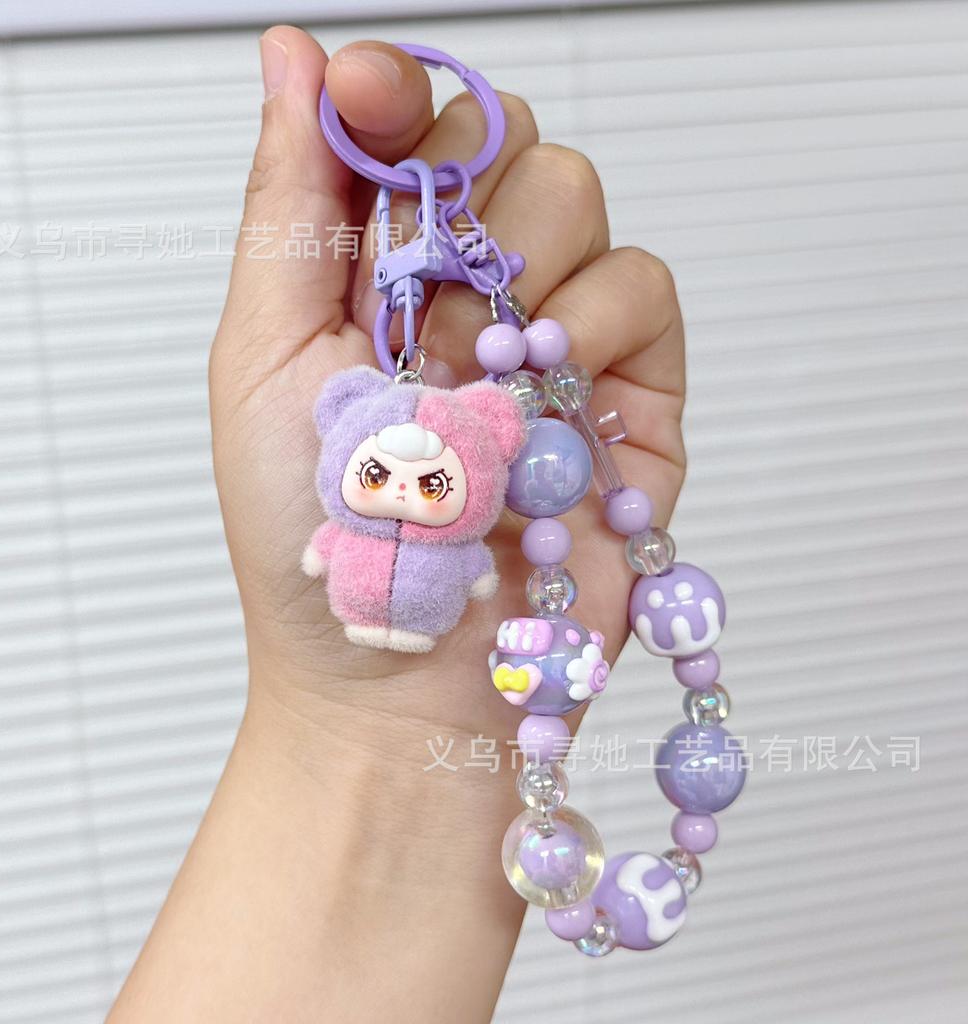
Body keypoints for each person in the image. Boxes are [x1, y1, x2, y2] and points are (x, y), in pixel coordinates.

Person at [109, 26, 685, 1023]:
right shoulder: (359, 429)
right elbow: (326, 545)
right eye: (379, 474)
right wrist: (359, 726)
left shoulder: (486, 491)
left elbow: (468, 571)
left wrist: (398, 736)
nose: (403, 485)